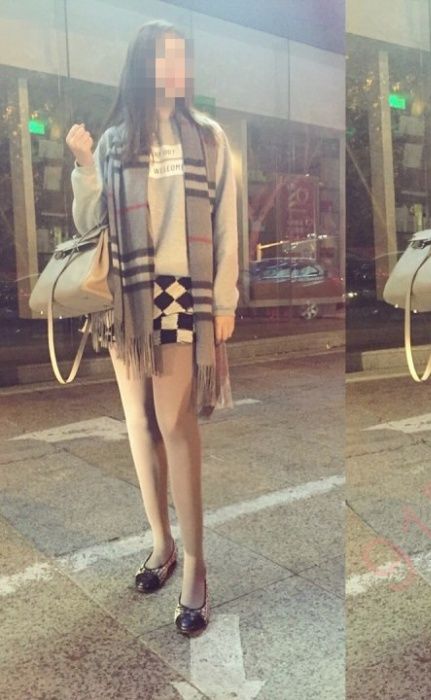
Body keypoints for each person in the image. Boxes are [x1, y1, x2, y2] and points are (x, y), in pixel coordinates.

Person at [66, 19, 240, 636]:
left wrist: (224, 301)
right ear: (142, 65)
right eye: (164, 57)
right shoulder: (116, 141)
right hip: (126, 298)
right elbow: (90, 221)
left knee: (176, 424)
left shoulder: (209, 137)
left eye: (181, 57)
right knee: (140, 424)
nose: (175, 68)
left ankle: (195, 564)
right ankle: (162, 544)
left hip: (181, 295)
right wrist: (85, 167)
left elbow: (226, 223)